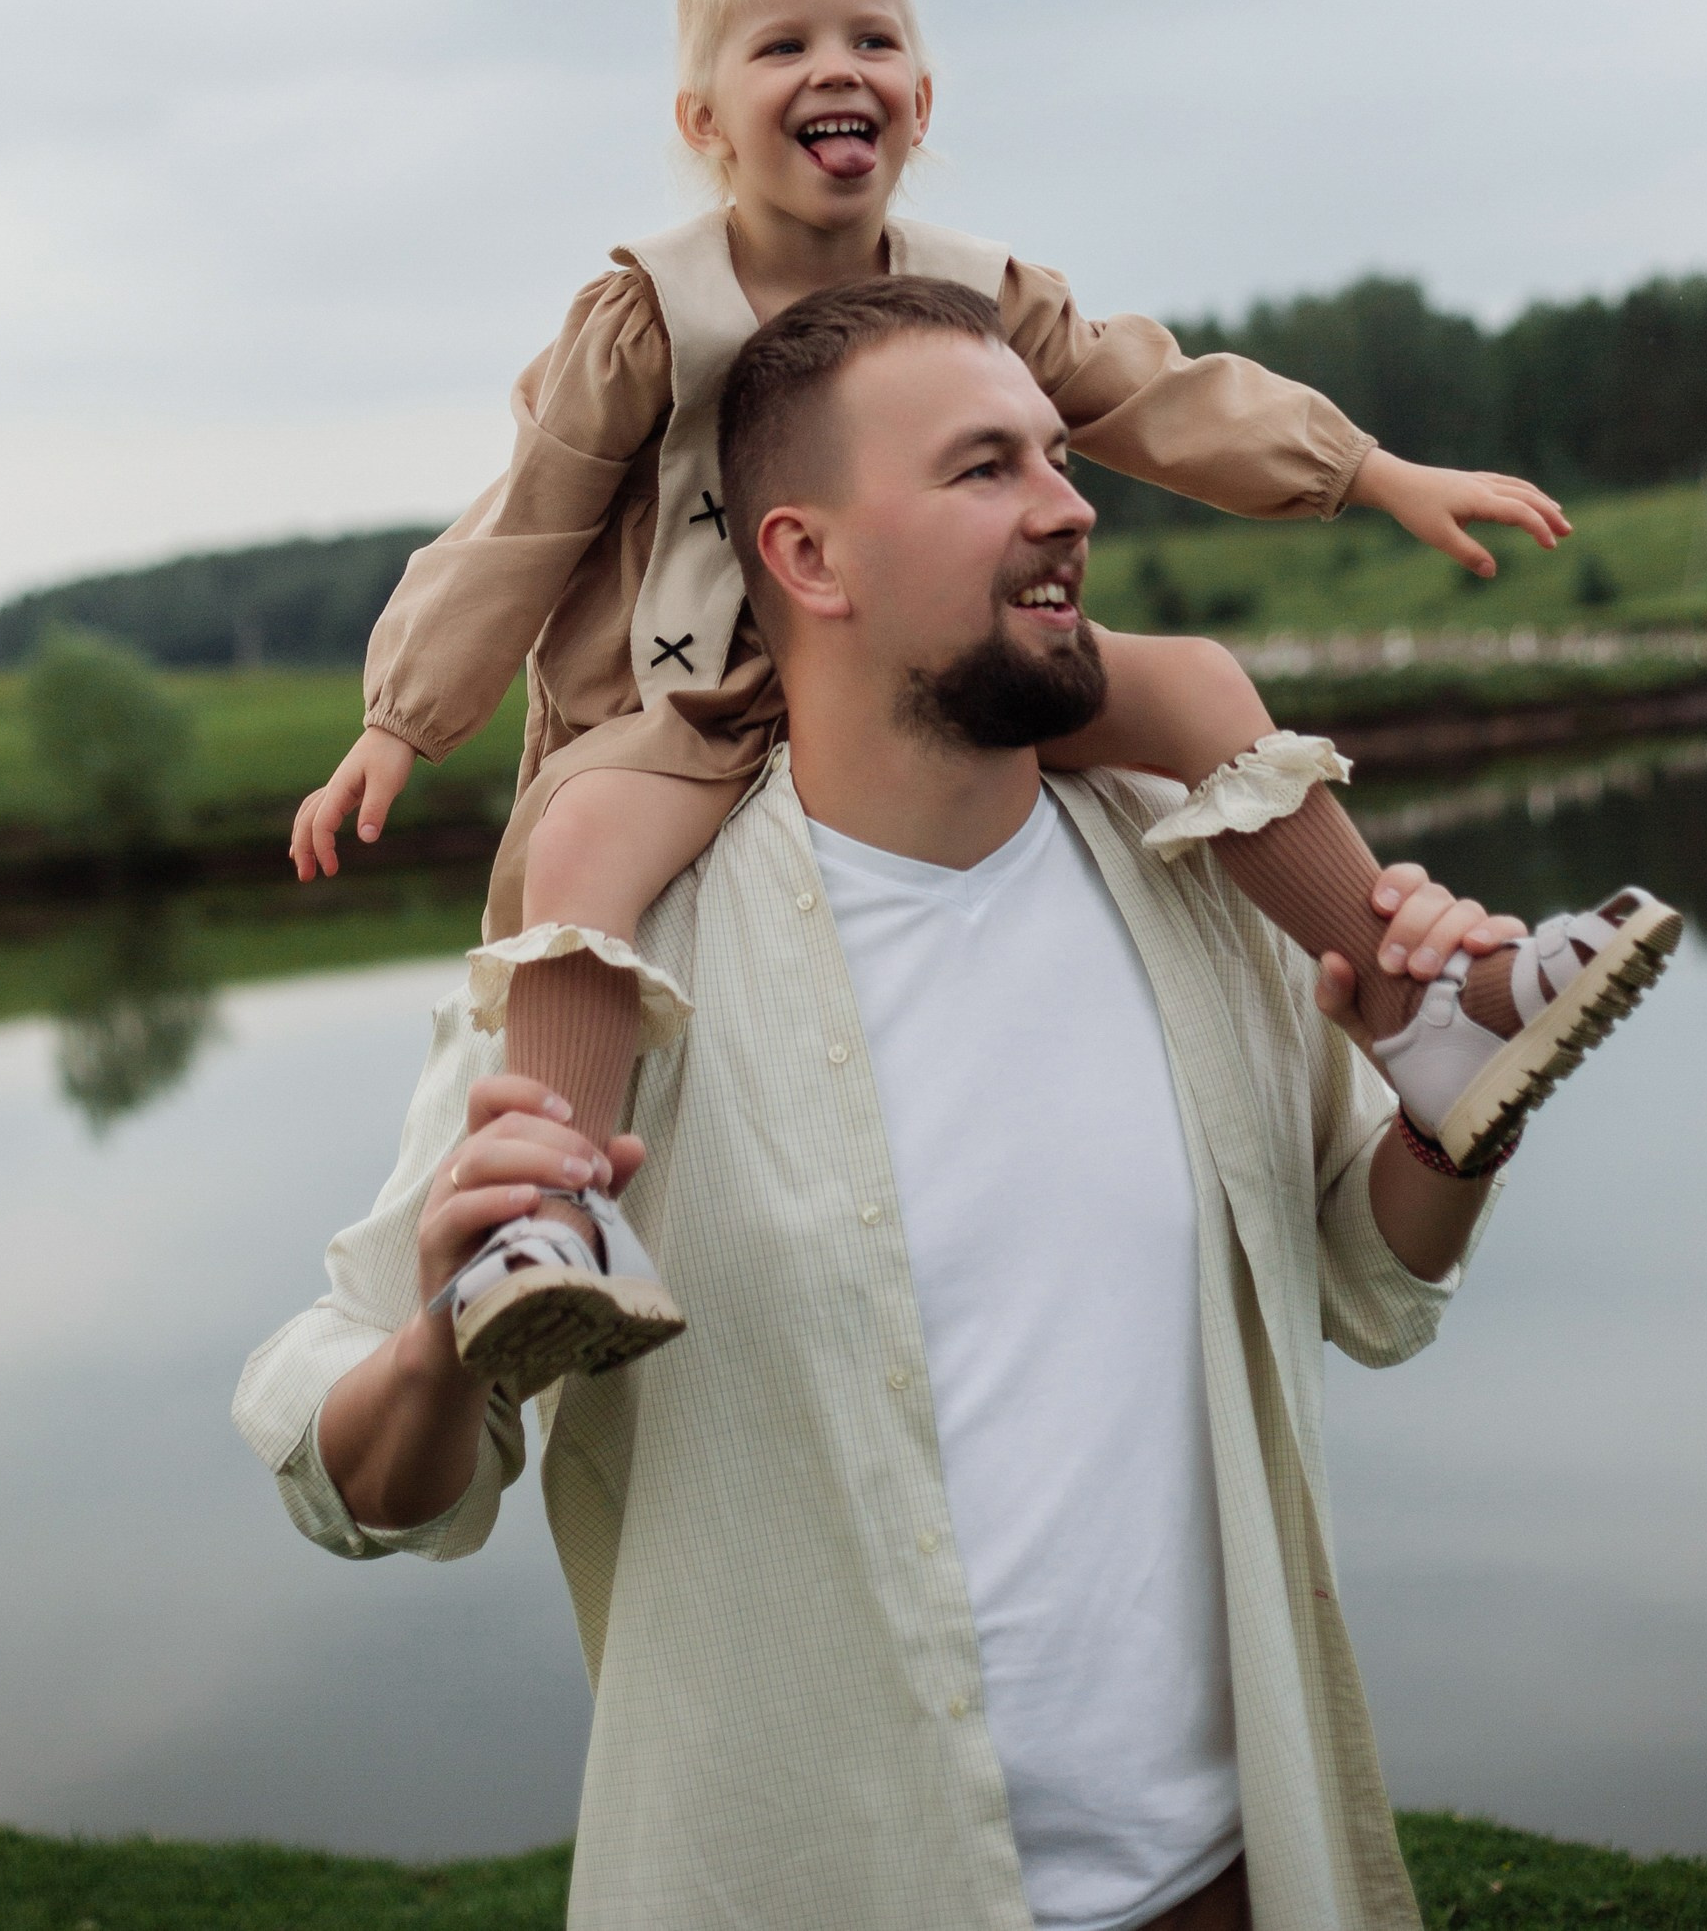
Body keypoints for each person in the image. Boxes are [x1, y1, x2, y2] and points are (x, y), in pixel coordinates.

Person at [239, 280, 1563, 1931]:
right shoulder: (617, 961)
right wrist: (439, 1349)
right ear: (805, 558)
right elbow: (358, 1469)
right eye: (984, 468)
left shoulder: (1192, 877)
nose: (1070, 502)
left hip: (1227, 1885)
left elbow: (1367, 1282)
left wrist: (1450, 1117)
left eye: (1054, 461)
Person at [287, 0, 1677, 1392]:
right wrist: (403, 715)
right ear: (703, 119)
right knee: (579, 843)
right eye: (787, 45)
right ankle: (546, 1212)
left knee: (1199, 684)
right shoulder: (648, 312)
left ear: (922, 99)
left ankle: (1420, 1011)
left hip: (933, 664)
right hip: (691, 699)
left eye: (873, 38)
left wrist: (1371, 473)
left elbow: (1153, 395)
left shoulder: (978, 291)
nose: (841, 66)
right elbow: (528, 517)